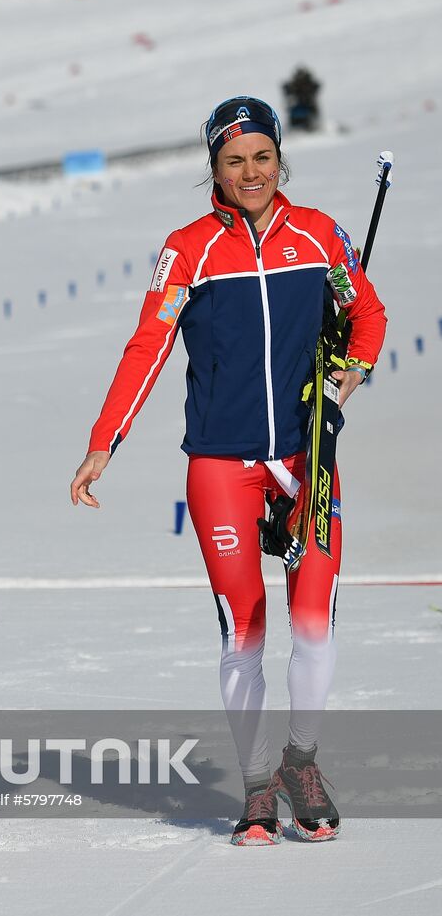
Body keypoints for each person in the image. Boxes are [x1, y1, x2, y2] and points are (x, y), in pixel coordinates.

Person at [69, 97, 386, 846]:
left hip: (309, 459)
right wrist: (103, 441)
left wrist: (342, 387)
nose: (251, 172)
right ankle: (253, 788)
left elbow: (366, 315)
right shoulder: (189, 249)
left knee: (314, 628)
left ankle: (300, 763)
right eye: (234, 159)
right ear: (214, 166)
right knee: (244, 631)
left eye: (262, 156)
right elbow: (146, 348)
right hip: (220, 464)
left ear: (280, 158)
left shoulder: (320, 234)